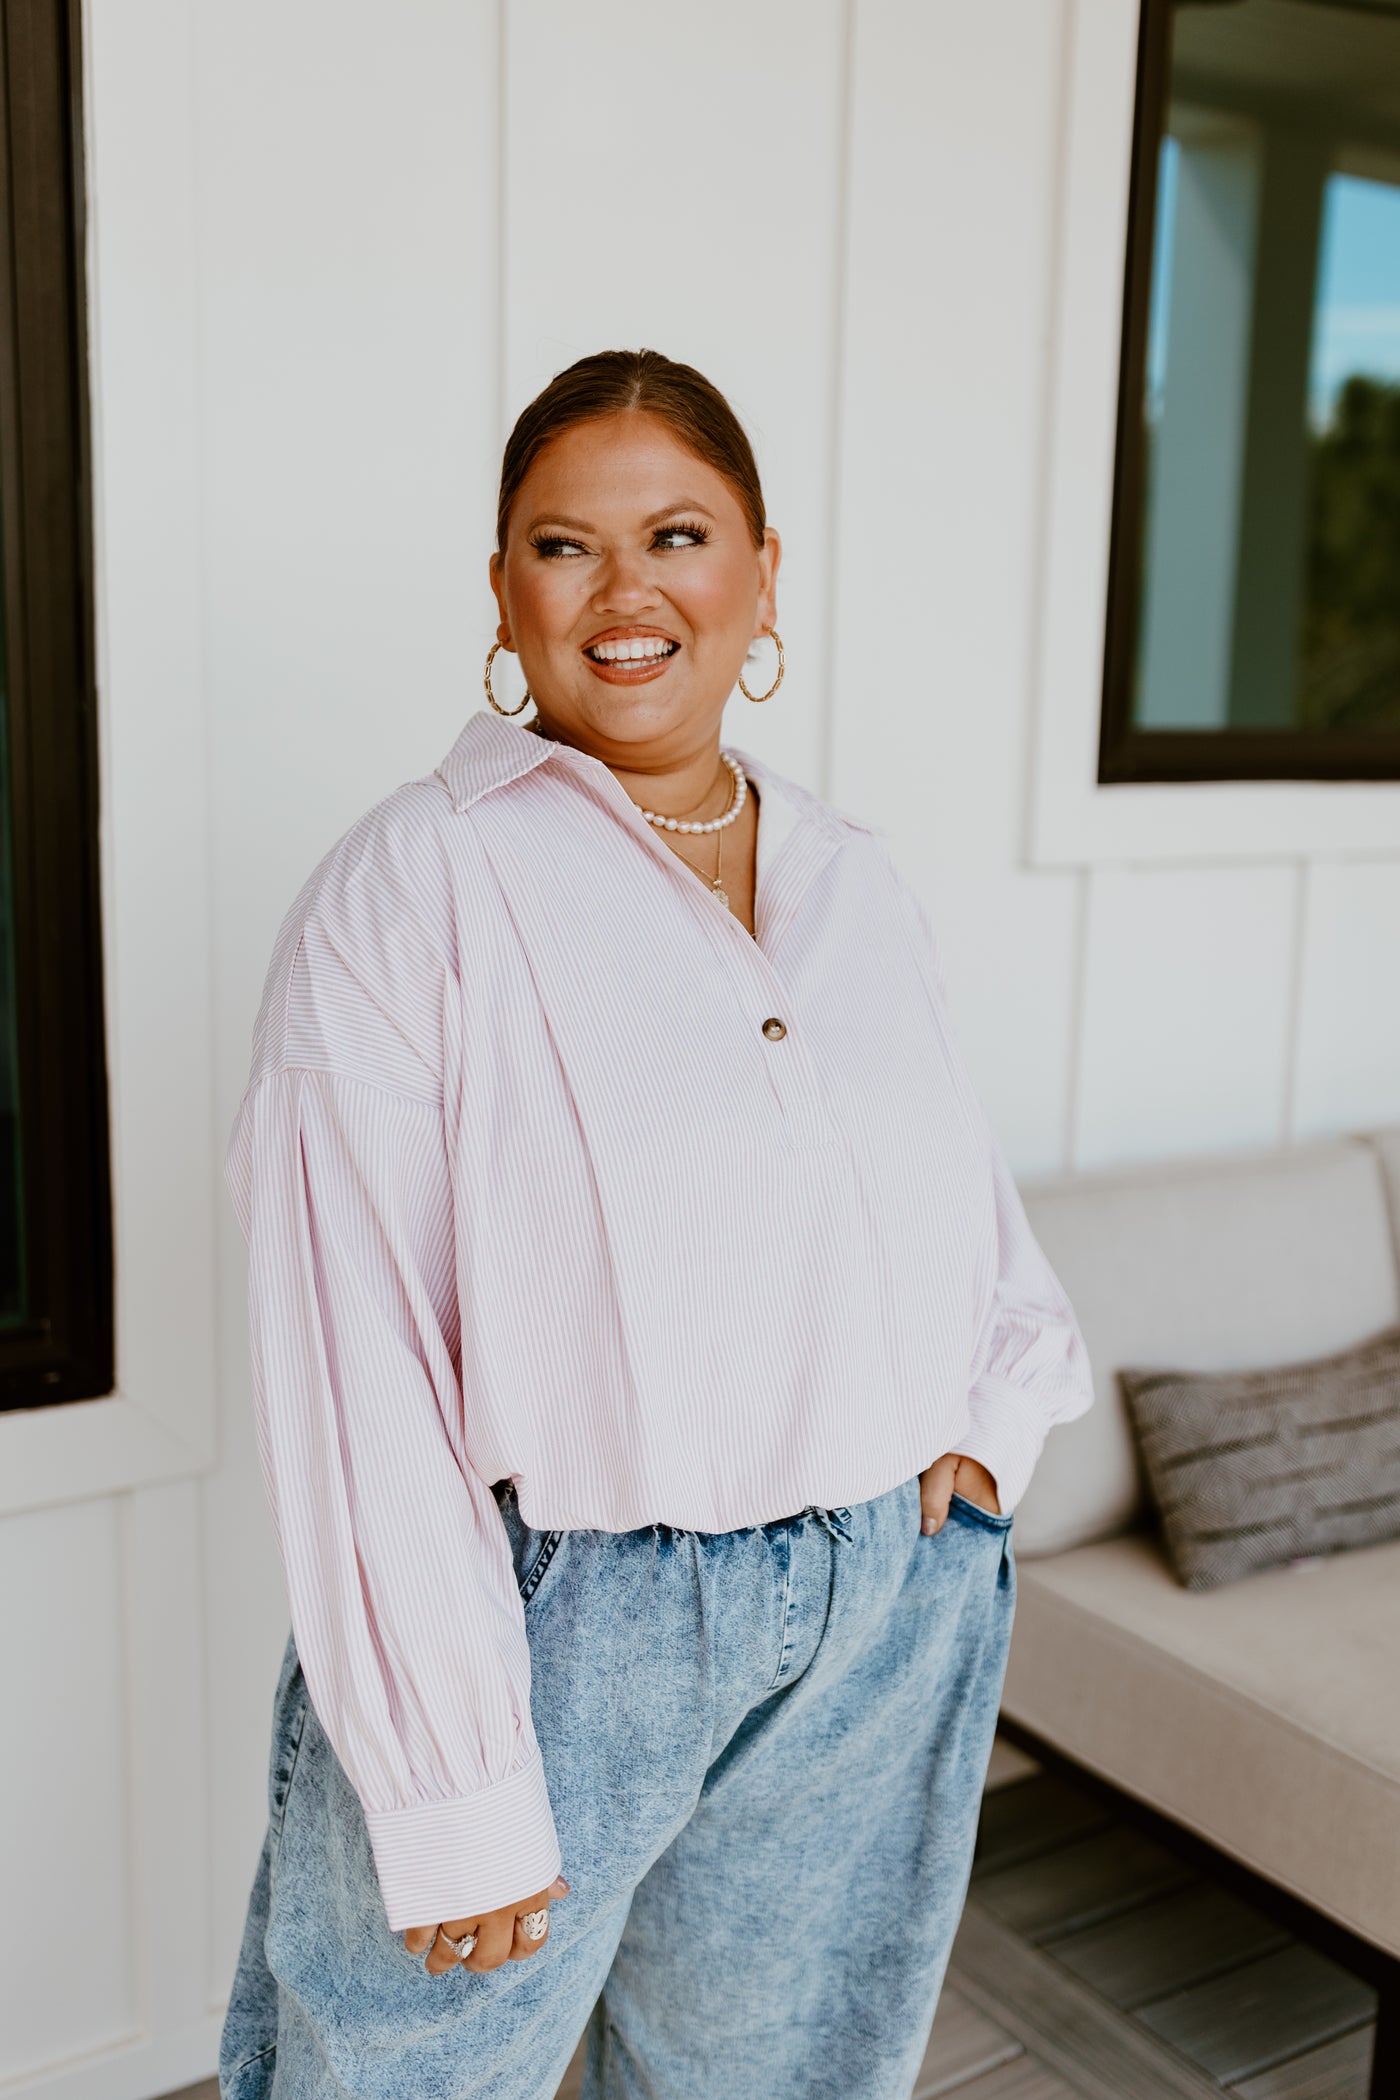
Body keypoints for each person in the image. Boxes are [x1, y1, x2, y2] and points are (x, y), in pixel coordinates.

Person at [220, 348, 1093, 2100]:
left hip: (876, 1602)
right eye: (565, 546)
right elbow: (357, 1353)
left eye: (678, 535)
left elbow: (945, 1203)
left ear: (764, 571)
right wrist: (453, 1778)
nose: (626, 595)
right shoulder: (415, 888)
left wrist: (986, 1435)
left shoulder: (855, 877)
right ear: (502, 592)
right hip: (559, 1633)